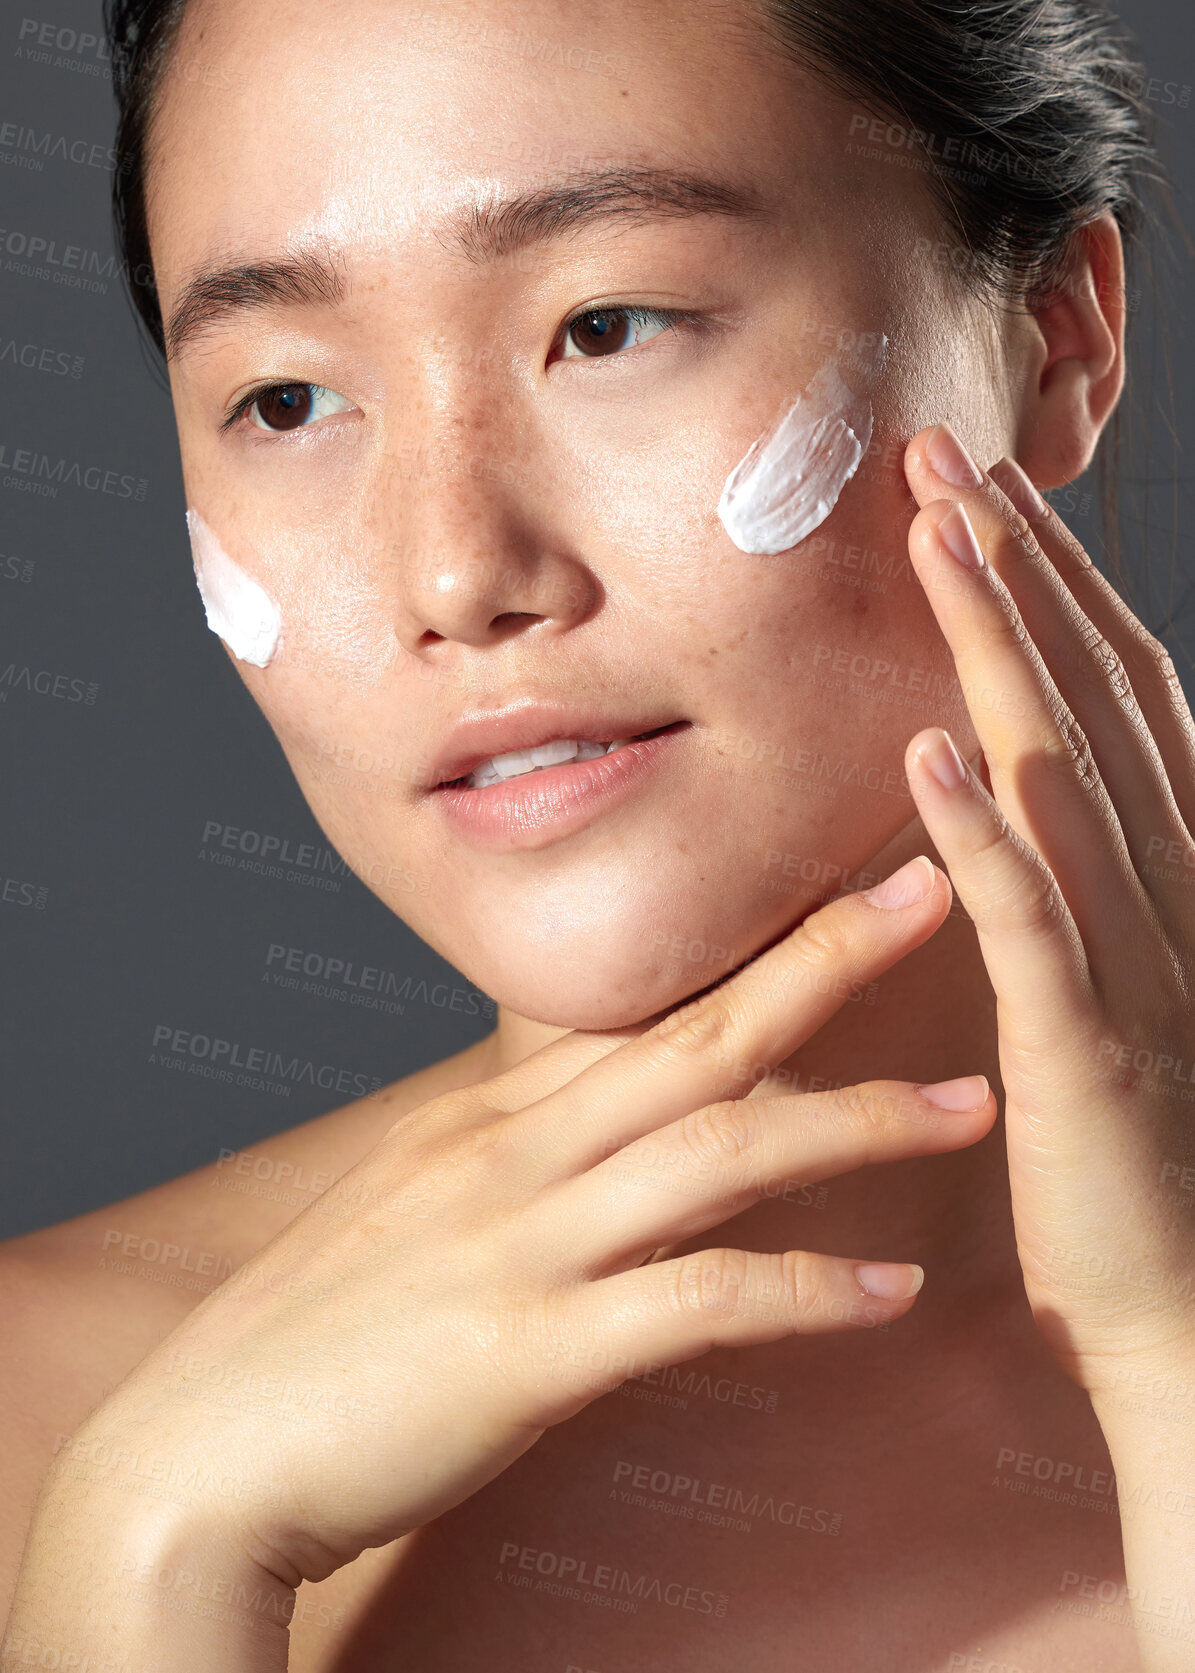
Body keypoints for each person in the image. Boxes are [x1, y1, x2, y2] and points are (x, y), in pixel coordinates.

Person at [3, 0, 1193, 1666]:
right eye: (283, 402)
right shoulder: (41, 1429)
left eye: (610, 322)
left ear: (1057, 339)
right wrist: (149, 1562)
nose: (453, 575)